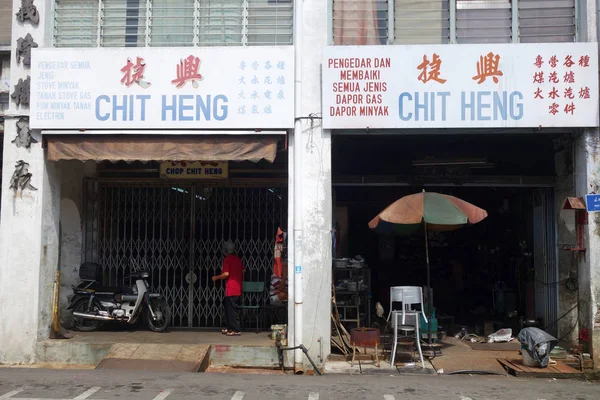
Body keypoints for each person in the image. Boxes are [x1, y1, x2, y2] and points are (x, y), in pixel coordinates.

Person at [212, 241, 245, 336]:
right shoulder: (237, 259)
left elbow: (226, 274)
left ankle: (236, 329)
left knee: (232, 310)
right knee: (227, 309)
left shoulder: (227, 259)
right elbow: (243, 270)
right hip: (237, 288)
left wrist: (216, 277)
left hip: (231, 289)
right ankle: (229, 327)